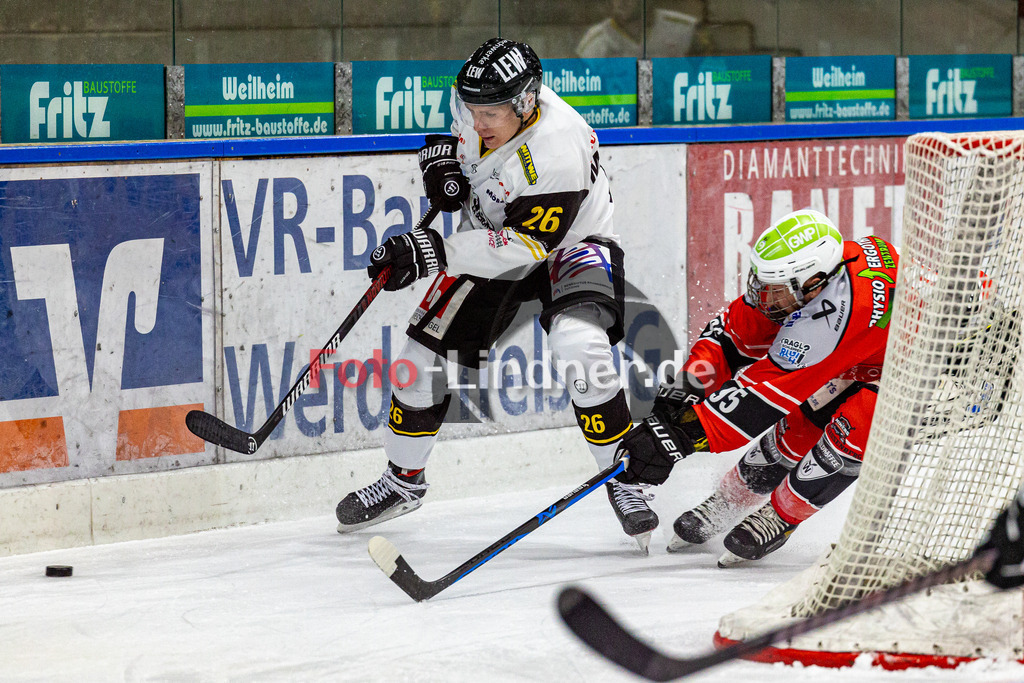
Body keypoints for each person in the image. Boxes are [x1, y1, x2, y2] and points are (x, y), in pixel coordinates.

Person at [335, 38, 657, 550]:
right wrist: (439, 165)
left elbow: (527, 246)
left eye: (489, 113)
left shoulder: (557, 150)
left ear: (526, 102)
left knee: (581, 347)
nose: (478, 120)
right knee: (418, 363)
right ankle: (403, 482)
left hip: (569, 245)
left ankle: (624, 479)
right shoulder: (479, 99)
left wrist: (432, 251)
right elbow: (447, 141)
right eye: (472, 110)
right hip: (490, 236)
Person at [615, 208, 900, 566]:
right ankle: (729, 501)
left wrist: (678, 437)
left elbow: (756, 401)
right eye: (762, 284)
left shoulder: (840, 314)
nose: (764, 298)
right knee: (800, 423)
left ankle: (781, 517)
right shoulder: (819, 276)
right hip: (870, 356)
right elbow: (732, 337)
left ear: (813, 284)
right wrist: (684, 389)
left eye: (775, 291)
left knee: (850, 431)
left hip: (942, 367)